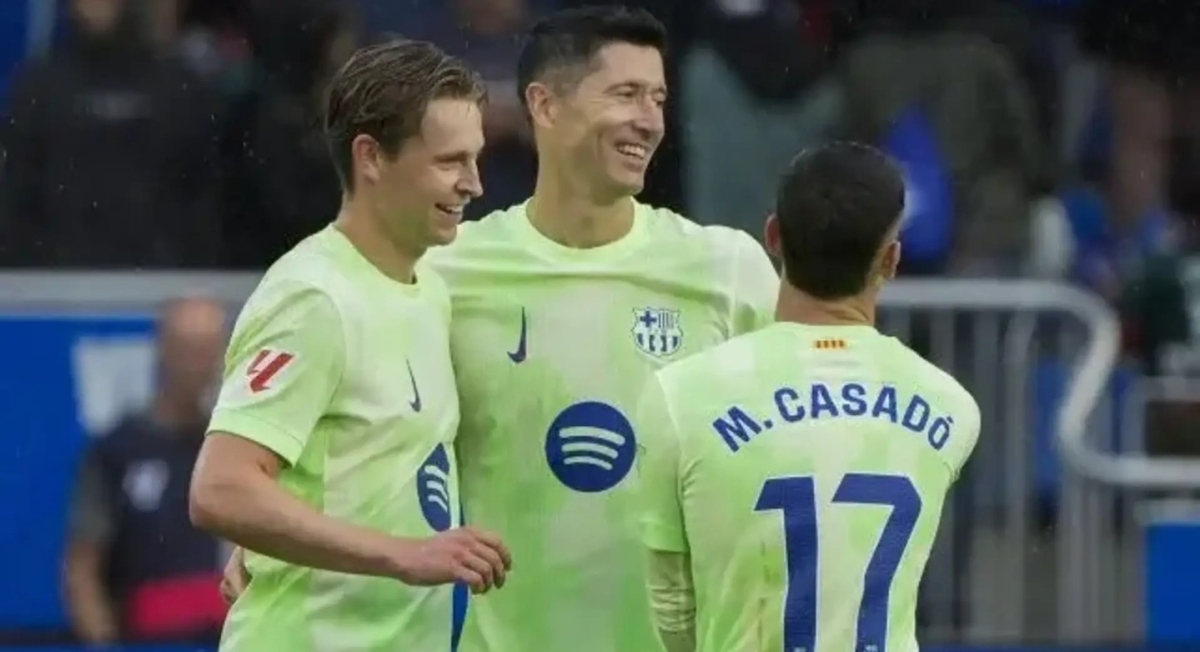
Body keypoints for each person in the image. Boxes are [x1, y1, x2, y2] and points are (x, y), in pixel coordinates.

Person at [222, 7, 778, 651]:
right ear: (544, 105)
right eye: (625, 94)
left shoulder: (728, 268)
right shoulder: (444, 270)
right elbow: (372, 431)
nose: (649, 120)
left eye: (657, 98)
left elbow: (800, 435)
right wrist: (275, 531)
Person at [188, 39, 510, 652]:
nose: (474, 184)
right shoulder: (314, 297)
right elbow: (221, 487)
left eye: (475, 159)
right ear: (371, 157)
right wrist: (404, 555)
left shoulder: (428, 286)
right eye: (450, 161)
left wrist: (275, 532)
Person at [633, 142, 981, 652]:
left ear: (773, 236)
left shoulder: (679, 396)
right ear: (891, 259)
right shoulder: (951, 407)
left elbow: (671, 604)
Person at [64, 297, 228, 646]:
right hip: (145, 638)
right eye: (189, 351)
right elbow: (83, 568)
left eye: (208, 352)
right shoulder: (118, 451)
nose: (199, 366)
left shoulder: (232, 451)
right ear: (163, 350)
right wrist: (104, 643)